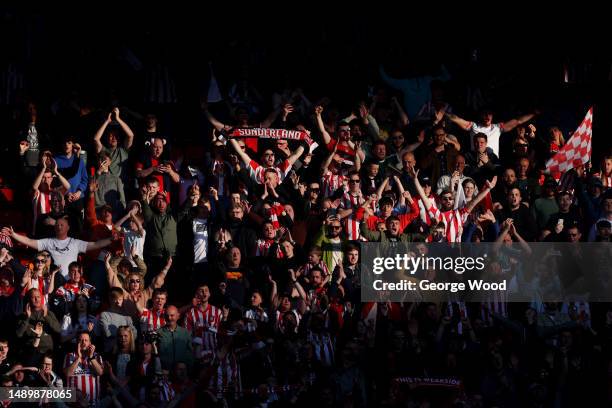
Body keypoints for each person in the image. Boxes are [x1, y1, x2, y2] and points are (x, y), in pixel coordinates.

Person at [2, 218, 116, 279]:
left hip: (71, 280)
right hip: (53, 280)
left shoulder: (75, 243)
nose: (59, 226)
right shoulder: (48, 242)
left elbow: (95, 245)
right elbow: (29, 241)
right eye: (57, 224)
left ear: (68, 228)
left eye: (62, 224)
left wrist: (111, 239)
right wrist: (14, 235)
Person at [444, 108, 537, 157]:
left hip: (492, 162)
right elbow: (456, 119)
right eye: (485, 114)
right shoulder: (473, 126)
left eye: (489, 114)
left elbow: (518, 121)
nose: (487, 116)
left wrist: (534, 113)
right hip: (475, 161)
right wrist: (443, 112)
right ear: (480, 115)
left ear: (492, 116)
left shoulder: (498, 127)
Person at [63, 331, 104, 406]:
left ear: (90, 342)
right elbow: (68, 374)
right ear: (77, 342)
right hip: (74, 404)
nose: (83, 342)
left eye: (86, 340)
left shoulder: (97, 356)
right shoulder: (69, 356)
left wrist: (91, 357)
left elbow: (100, 372)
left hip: (93, 404)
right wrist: (79, 358)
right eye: (81, 340)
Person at [93, 107, 135, 178]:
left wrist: (118, 119)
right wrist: (107, 121)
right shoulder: (103, 149)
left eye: (116, 136)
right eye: (111, 136)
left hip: (120, 186)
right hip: (105, 183)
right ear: (107, 138)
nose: (114, 138)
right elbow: (96, 139)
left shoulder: (123, 150)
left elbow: (131, 135)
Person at [158, 305, 193, 370]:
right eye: (167, 315)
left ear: (178, 316)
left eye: (172, 315)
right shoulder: (159, 333)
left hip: (181, 373)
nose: (169, 318)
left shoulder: (185, 333)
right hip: (165, 373)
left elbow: (190, 354)